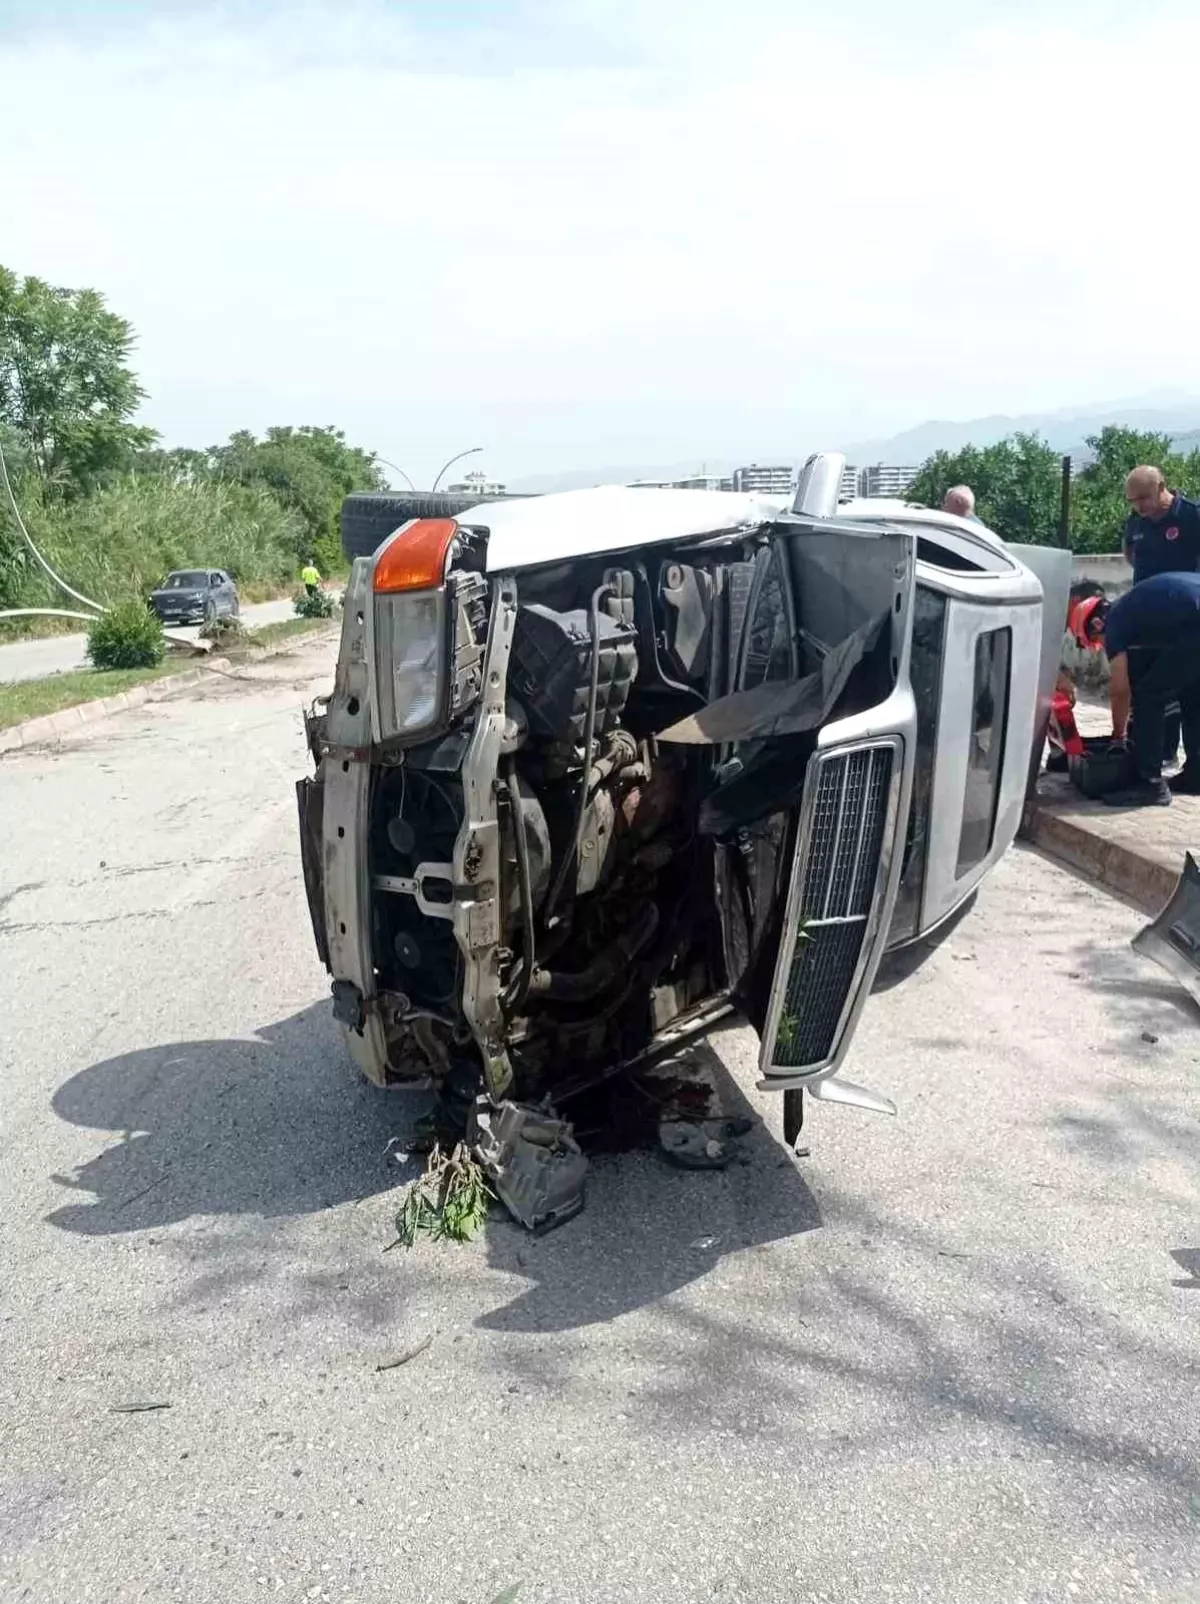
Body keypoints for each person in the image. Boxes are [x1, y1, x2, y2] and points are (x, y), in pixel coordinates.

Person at [1068, 572, 1200, 807]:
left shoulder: (1116, 621)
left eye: (1097, 640)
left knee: (1149, 697)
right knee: (1191, 692)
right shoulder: (1134, 608)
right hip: (1193, 619)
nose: (1103, 646)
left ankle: (1150, 784)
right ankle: (1196, 774)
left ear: (1096, 624)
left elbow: (1120, 691)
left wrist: (1119, 738)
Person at [1122, 466, 1200, 582]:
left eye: (1143, 498)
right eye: (1132, 501)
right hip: (1146, 596)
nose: (1138, 506)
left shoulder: (1191, 514)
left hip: (1186, 596)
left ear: (1161, 487)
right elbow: (1129, 553)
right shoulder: (1135, 521)